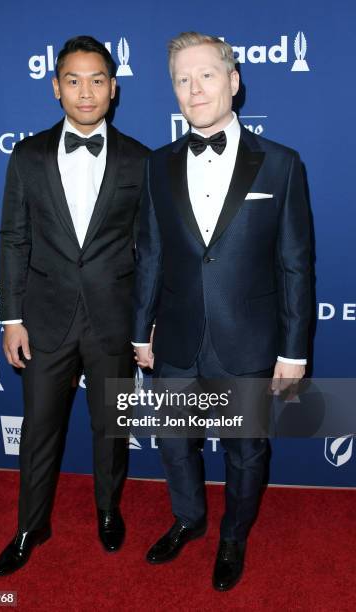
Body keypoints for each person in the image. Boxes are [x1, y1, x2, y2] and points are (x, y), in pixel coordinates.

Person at [133, 32, 310, 591]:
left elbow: (296, 266)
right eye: (182, 80)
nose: (194, 89)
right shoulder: (157, 165)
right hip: (177, 337)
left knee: (244, 451)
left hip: (249, 341)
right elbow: (151, 254)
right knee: (174, 443)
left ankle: (234, 534)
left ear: (233, 81)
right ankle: (188, 518)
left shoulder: (281, 164)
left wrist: (294, 350)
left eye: (206, 75)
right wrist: (141, 330)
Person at [0, 35, 149, 576]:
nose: (87, 92)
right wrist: (11, 318)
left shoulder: (140, 159)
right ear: (57, 87)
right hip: (44, 320)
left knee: (112, 426)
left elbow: (149, 250)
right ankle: (31, 525)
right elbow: (14, 238)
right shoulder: (27, 155)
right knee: (39, 429)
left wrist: (144, 324)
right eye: (74, 80)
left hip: (113, 319)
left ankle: (108, 511)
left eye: (98, 80)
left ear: (114, 89)